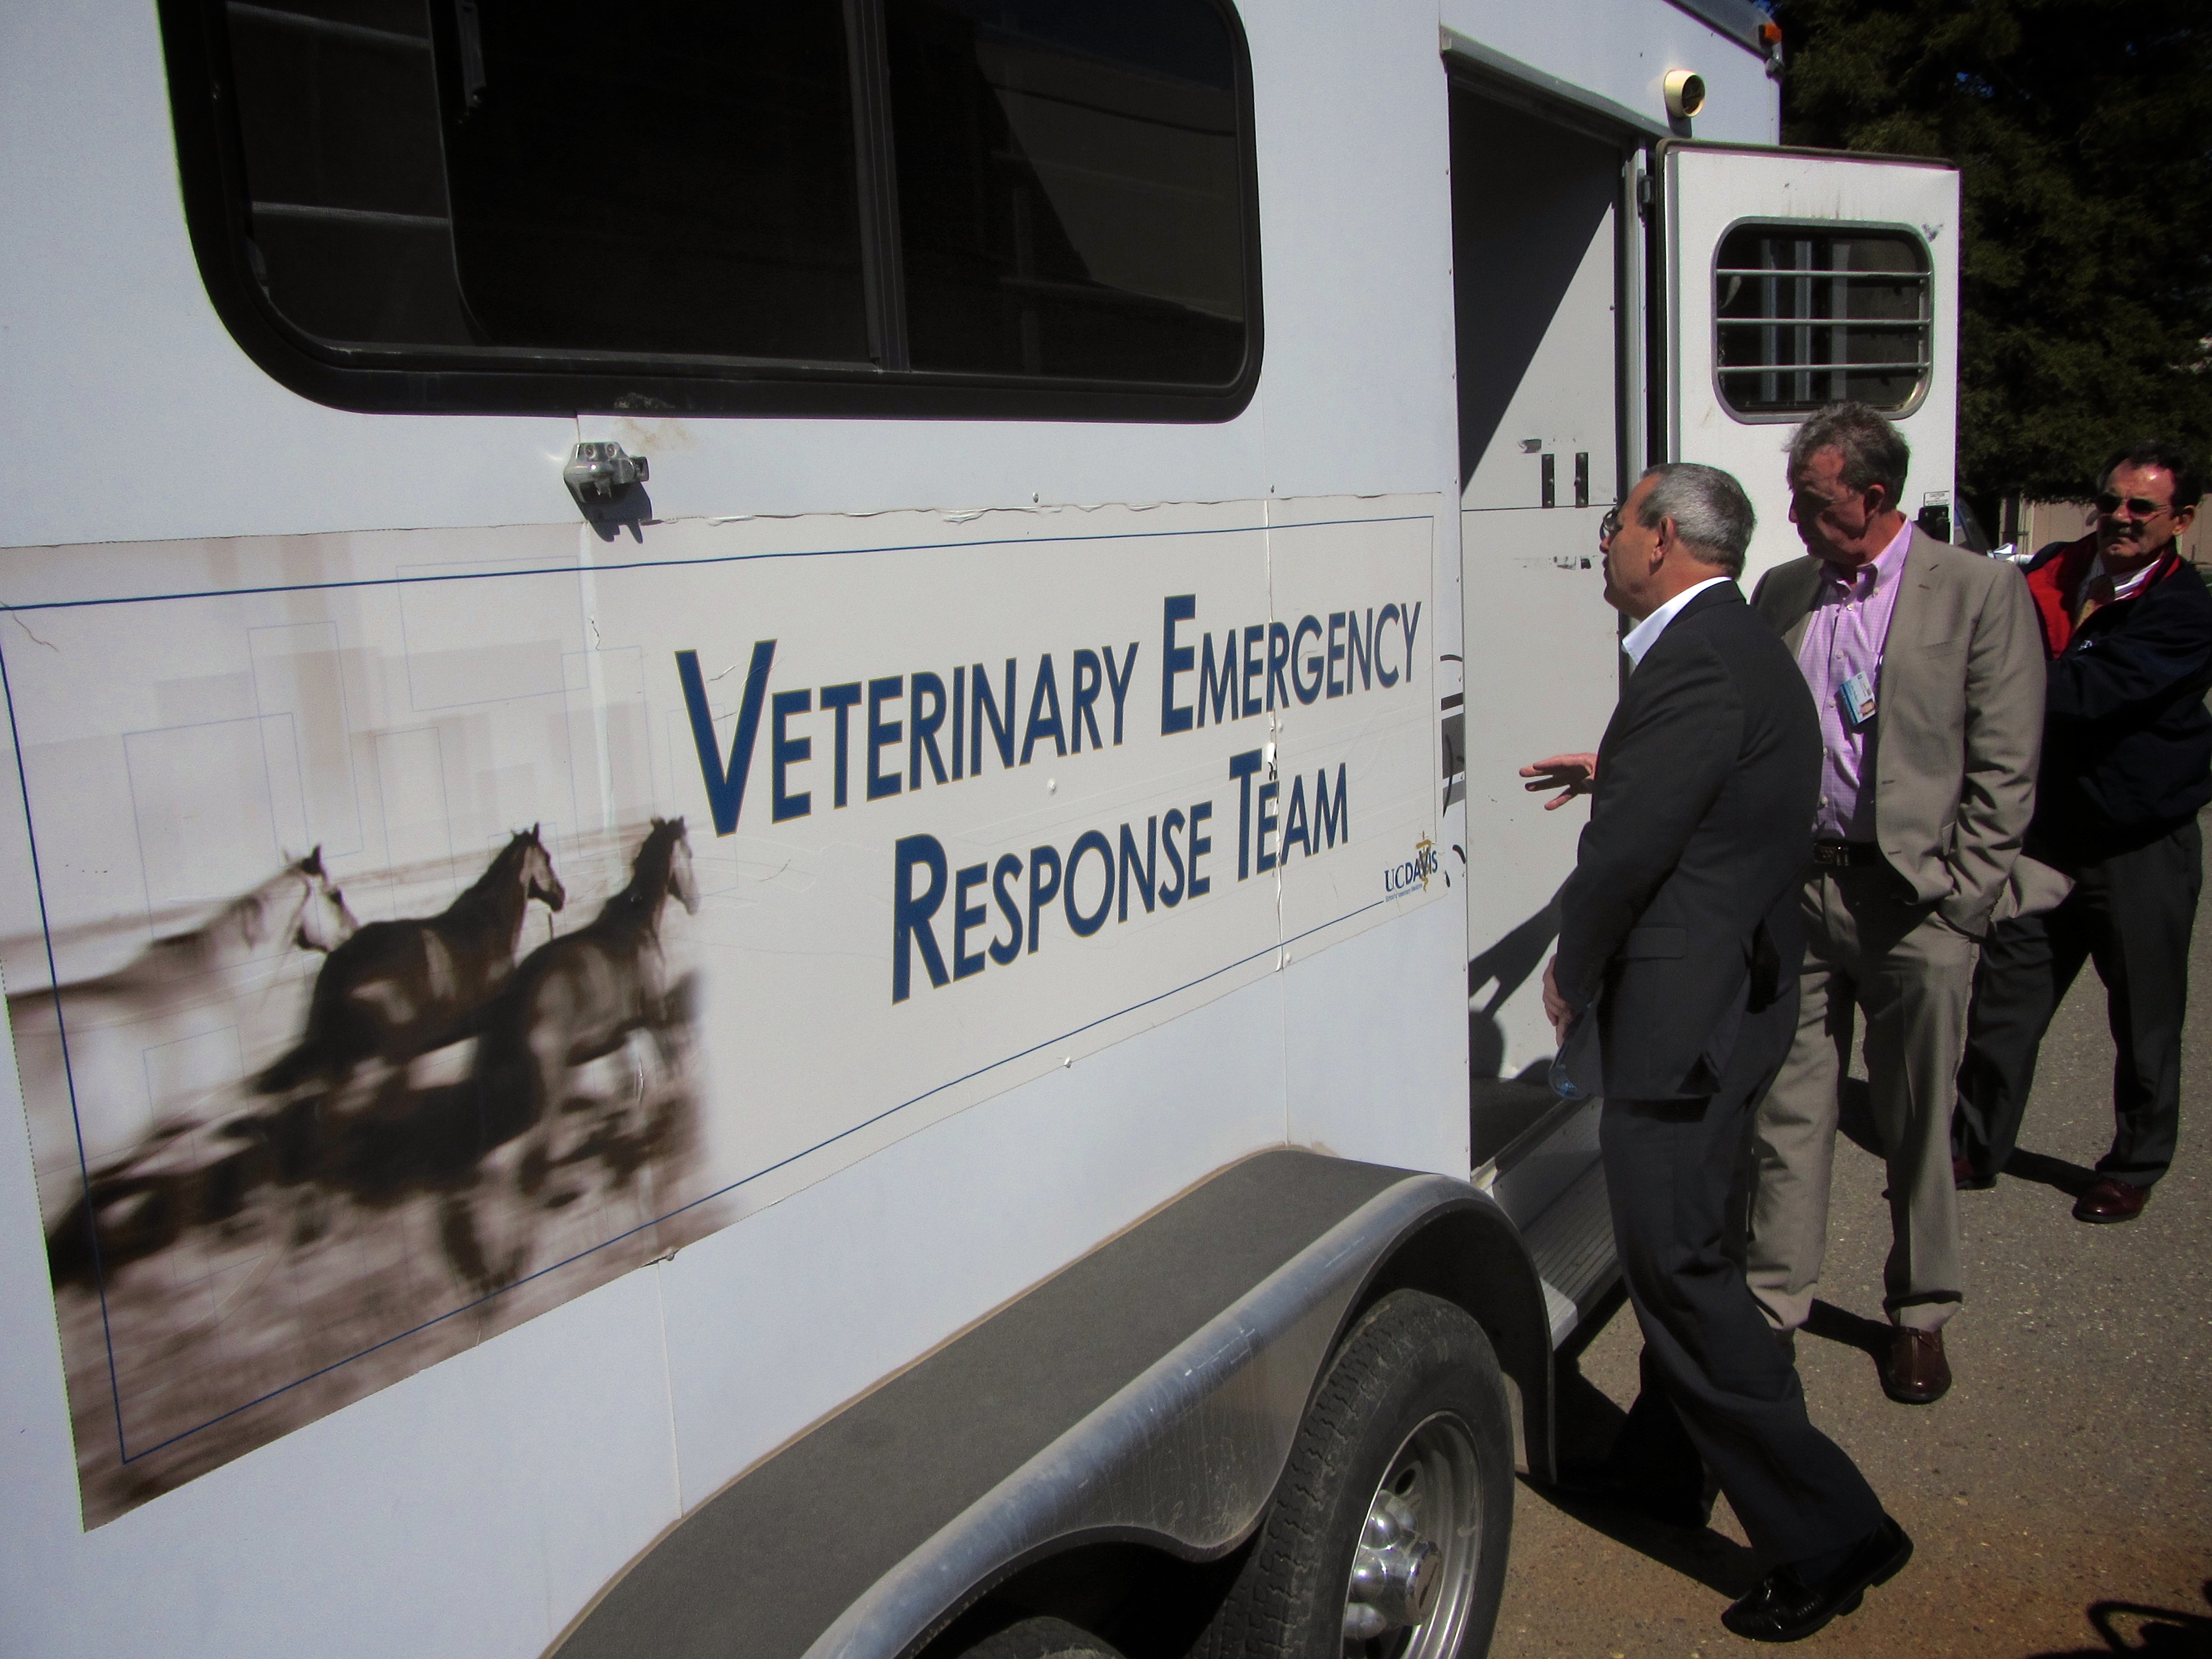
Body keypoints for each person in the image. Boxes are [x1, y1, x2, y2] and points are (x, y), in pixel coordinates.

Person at [1530, 463, 1910, 1645]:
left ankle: (1830, 1530)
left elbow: (1630, 855)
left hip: (1683, 1021)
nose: (1602, 548)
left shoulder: (1693, 658)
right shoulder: (1733, 645)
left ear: (1663, 541)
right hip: (1728, 1004)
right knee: (1677, 1257)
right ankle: (1659, 1469)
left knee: (1681, 1270)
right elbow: (1714, 797)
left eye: (1615, 527)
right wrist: (1620, 773)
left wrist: (1569, 967)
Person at [1744, 403, 2044, 1406]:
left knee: (1917, 1117)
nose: (1793, 517)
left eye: (1813, 501)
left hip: (1917, 900)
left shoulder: (1976, 590)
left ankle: (1921, 1311)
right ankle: (1774, 1305)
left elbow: (2007, 761)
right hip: (1805, 888)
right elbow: (1740, 719)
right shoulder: (1787, 589)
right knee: (1791, 1111)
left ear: (1874, 498)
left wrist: (1966, 897)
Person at [1954, 442, 2212, 1220]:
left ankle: (2134, 1162)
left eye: (2142, 508)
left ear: (2180, 521)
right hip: (2044, 834)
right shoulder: (2049, 572)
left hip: (2139, 843)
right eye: (2111, 501)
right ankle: (1973, 1144)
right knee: (2006, 1002)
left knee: (2145, 1015)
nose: (2120, 519)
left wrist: (1988, 675)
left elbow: (2085, 694)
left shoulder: (2184, 613)